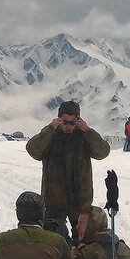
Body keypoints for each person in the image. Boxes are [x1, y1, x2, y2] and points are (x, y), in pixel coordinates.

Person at [25, 101, 110, 238]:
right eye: (65, 122)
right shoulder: (51, 136)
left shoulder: (84, 137)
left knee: (83, 241)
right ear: (58, 119)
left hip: (81, 201)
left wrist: (88, 131)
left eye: (73, 123)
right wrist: (49, 129)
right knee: (53, 243)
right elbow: (33, 150)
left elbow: (103, 152)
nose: (69, 126)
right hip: (54, 202)